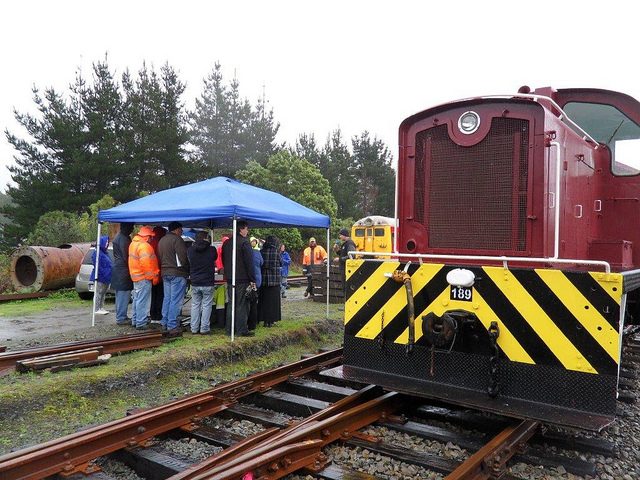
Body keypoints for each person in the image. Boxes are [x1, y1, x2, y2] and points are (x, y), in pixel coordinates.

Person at [221, 220, 256, 337]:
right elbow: (249, 263)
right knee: (242, 305)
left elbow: (224, 259)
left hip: (230, 278)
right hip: (242, 278)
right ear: (241, 229)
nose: (247, 231)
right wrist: (253, 279)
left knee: (231, 304)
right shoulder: (244, 243)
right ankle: (241, 329)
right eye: (246, 228)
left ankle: (229, 329)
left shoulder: (227, 243)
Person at [158, 221, 190, 337]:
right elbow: (183, 257)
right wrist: (187, 269)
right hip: (177, 273)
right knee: (176, 300)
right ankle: (172, 325)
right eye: (181, 230)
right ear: (176, 230)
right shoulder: (177, 240)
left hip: (165, 272)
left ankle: (164, 322)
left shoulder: (162, 240)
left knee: (167, 298)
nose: (182, 232)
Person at [128, 226, 160, 330]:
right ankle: (141, 322)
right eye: (150, 237)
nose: (151, 239)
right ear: (146, 236)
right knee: (143, 300)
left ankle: (135, 320)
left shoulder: (133, 244)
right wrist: (152, 276)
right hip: (144, 278)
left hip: (136, 277)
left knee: (137, 299)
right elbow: (146, 264)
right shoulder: (144, 246)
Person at [187, 231, 217, 335]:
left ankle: (194, 328)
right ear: (206, 238)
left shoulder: (190, 250)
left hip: (195, 281)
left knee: (195, 305)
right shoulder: (212, 249)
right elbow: (215, 258)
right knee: (206, 305)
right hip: (208, 281)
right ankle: (204, 328)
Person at [111, 223, 134, 325]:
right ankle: (121, 317)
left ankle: (121, 316)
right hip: (123, 270)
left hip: (119, 269)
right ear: (126, 227)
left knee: (120, 295)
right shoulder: (123, 239)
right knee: (123, 294)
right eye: (131, 227)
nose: (132, 229)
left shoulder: (119, 237)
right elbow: (127, 256)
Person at [259, 235, 281, 327]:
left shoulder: (261, 251)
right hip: (274, 280)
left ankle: (264, 320)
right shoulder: (276, 252)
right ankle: (271, 321)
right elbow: (281, 262)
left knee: (264, 301)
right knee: (273, 302)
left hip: (263, 279)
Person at [91, 235, 112, 315]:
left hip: (106, 277)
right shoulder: (97, 253)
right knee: (98, 293)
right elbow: (97, 265)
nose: (107, 244)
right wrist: (102, 274)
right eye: (106, 242)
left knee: (103, 293)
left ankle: (101, 307)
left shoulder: (105, 253)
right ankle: (96, 308)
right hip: (100, 277)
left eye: (107, 242)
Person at [149, 226, 166, 321]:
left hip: (151, 274)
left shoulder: (151, 242)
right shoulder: (160, 243)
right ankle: (158, 314)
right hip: (159, 272)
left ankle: (153, 313)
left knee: (153, 295)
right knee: (160, 295)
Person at [335, 228, 357, 299]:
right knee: (344, 286)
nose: (340, 237)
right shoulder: (345, 244)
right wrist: (337, 251)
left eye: (341, 235)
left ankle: (347, 302)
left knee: (346, 287)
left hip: (347, 269)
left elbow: (352, 255)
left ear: (344, 235)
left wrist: (340, 259)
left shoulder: (350, 243)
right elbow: (343, 254)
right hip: (344, 269)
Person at [248, 237, 264, 331]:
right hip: (257, 279)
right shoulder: (258, 253)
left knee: (249, 302)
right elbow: (262, 263)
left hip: (250, 279)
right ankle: (254, 322)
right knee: (254, 301)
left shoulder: (249, 252)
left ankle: (250, 322)